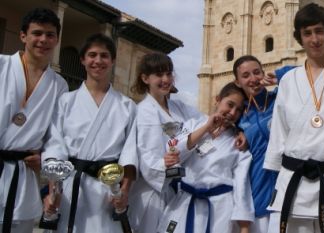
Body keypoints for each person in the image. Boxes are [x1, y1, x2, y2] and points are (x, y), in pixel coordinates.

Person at [263, 3, 324, 233]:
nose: (314, 39)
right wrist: (276, 172)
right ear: (299, 38)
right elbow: (279, 131)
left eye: (319, 31)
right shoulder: (289, 81)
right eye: (307, 33)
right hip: (292, 183)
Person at [41, 33, 137, 233]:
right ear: (83, 60)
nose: (98, 61)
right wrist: (53, 191)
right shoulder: (66, 101)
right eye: (92, 55)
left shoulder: (127, 106)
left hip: (108, 190)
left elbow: (130, 154)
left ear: (112, 61)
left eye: (104, 55)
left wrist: (124, 192)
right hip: (70, 187)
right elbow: (55, 146)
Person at [0, 8, 68, 233]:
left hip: (22, 177)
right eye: (37, 33)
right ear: (23, 36)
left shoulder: (59, 85)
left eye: (50, 35)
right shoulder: (1, 66)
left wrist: (50, 170)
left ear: (57, 40)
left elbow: (55, 138)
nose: (43, 40)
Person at [157, 82, 254, 233]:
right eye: (230, 104)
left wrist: (244, 227)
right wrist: (205, 129)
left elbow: (242, 184)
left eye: (239, 110)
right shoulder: (194, 125)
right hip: (185, 202)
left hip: (220, 208)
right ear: (217, 100)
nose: (233, 112)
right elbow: (174, 151)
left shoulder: (238, 142)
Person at [127, 52, 203, 233]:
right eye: (159, 75)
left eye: (169, 74)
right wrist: (164, 163)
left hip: (177, 191)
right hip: (153, 196)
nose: (166, 79)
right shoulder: (145, 112)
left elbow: (204, 122)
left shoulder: (178, 107)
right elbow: (148, 159)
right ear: (145, 78)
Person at [232, 55, 293, 233]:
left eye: (257, 72)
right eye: (245, 75)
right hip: (258, 192)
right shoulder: (240, 115)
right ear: (237, 82)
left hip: (289, 186)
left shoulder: (280, 98)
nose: (253, 79)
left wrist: (280, 75)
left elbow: (306, 73)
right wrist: (237, 130)